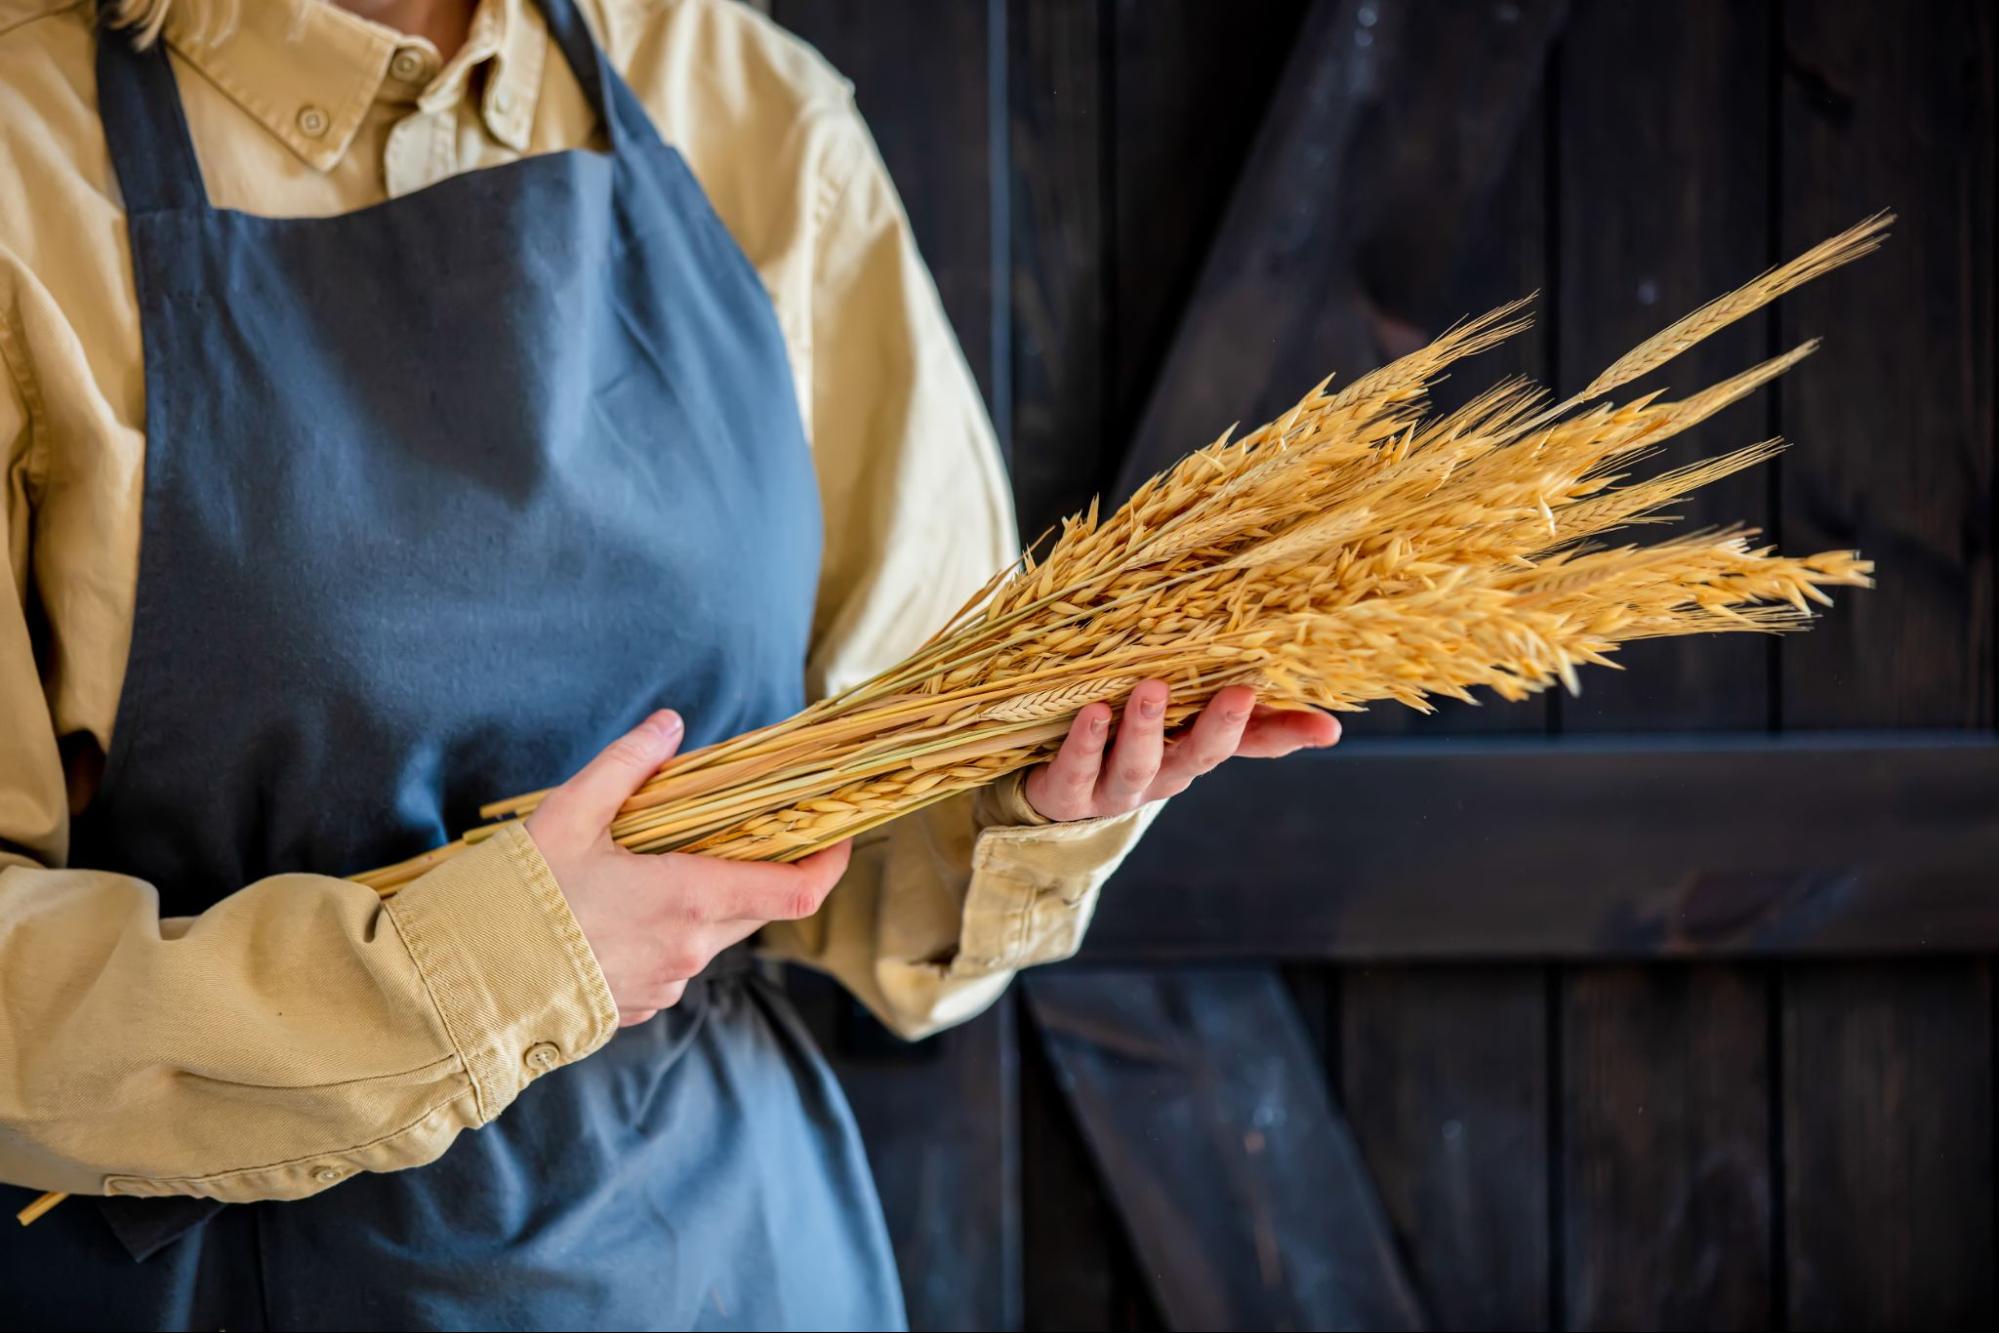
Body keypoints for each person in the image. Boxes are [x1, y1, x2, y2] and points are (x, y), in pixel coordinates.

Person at [0, 0, 1341, 1327]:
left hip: (729, 1265)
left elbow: (882, 889)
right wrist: (497, 962)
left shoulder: (749, 106)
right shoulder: (24, 154)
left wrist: (1025, 804)